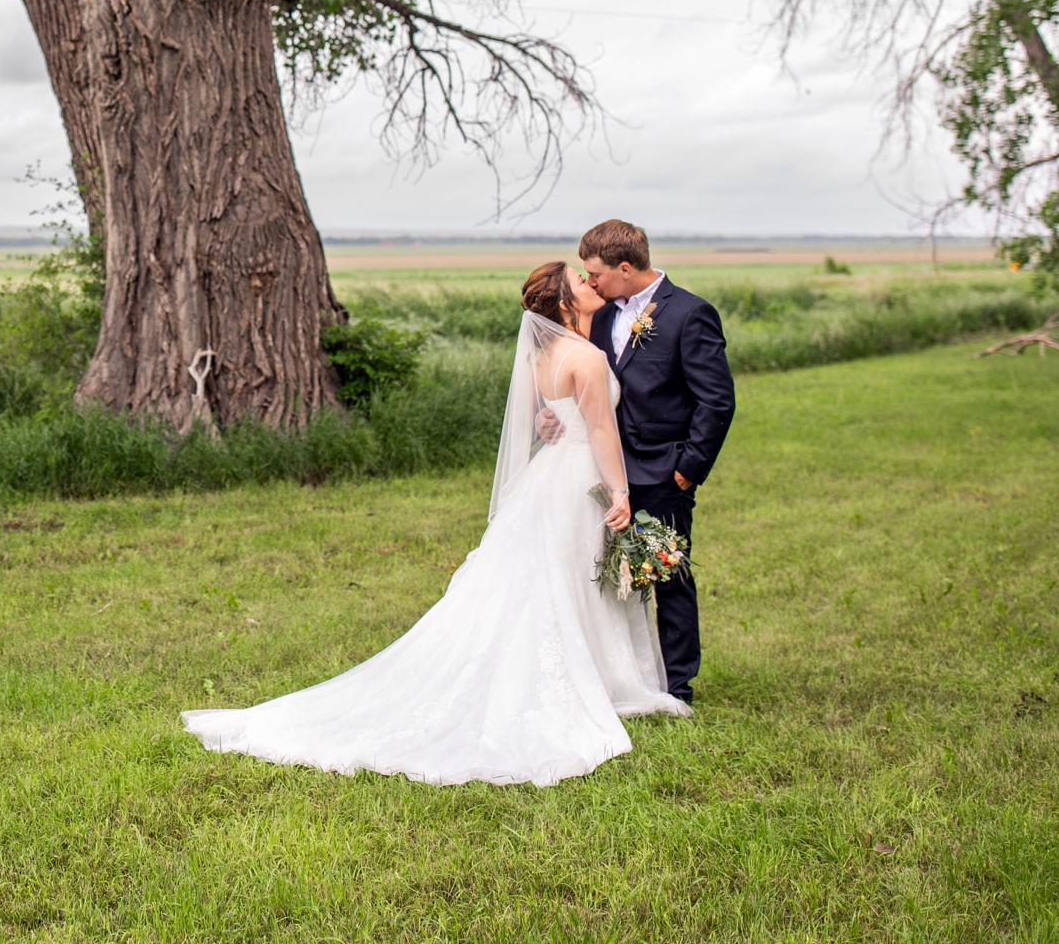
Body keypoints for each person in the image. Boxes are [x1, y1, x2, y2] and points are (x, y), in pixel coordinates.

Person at [180, 261, 690, 789]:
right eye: (581, 281)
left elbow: (553, 417)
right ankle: (586, 680)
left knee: (552, 579)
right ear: (564, 303)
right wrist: (621, 493)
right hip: (578, 476)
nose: (591, 283)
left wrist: (552, 421)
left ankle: (593, 676)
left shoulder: (544, 358)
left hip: (550, 478)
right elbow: (602, 431)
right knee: (567, 579)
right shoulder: (584, 355)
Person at [568, 219, 735, 705]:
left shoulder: (690, 314)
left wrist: (687, 468)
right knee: (608, 575)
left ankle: (678, 684)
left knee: (670, 575)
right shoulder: (598, 315)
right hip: (605, 470)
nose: (590, 282)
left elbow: (716, 402)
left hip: (664, 468)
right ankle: (625, 675)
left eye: (595, 273)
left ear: (625, 267)